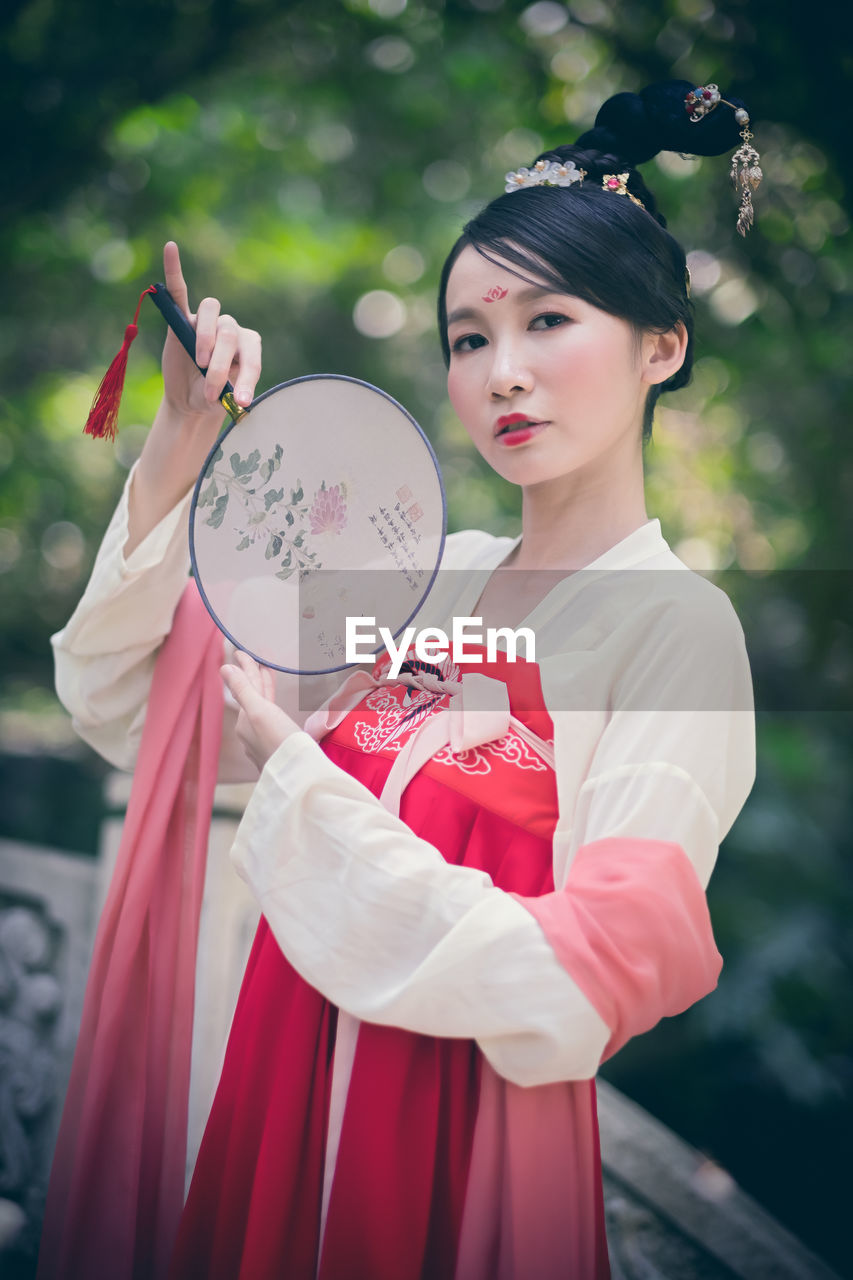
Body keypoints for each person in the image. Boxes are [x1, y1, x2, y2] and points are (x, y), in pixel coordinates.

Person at [45, 80, 757, 1279]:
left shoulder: (676, 632)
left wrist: (307, 789)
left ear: (661, 345)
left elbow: (573, 982)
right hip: (280, 1095)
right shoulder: (425, 583)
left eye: (548, 322)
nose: (502, 372)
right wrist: (180, 442)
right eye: (470, 338)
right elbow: (126, 694)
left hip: (456, 1157)